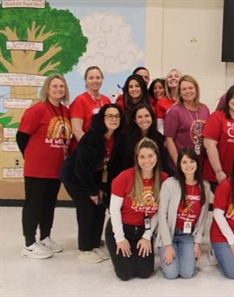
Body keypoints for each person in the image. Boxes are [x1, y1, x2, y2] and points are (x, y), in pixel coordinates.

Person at [17, 74, 73, 259]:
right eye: (55, 86)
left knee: (49, 204)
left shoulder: (65, 110)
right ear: (47, 89)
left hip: (55, 169)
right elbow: (22, 137)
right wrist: (33, 156)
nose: (58, 89)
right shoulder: (37, 110)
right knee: (34, 204)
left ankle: (45, 236)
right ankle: (29, 243)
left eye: (61, 86)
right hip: (37, 169)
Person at [60, 104, 123, 263]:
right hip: (75, 178)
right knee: (87, 210)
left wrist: (101, 188)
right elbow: (81, 168)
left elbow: (107, 167)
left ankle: (95, 244)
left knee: (100, 209)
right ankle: (85, 249)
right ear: (102, 119)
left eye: (117, 116)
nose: (113, 119)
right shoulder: (92, 137)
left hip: (94, 177)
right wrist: (92, 192)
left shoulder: (116, 138)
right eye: (109, 116)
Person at [106, 138, 169, 281]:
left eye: (150, 156)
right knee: (125, 274)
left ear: (157, 157)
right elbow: (114, 211)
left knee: (144, 272)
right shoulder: (124, 177)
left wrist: (147, 236)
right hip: (122, 229)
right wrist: (120, 239)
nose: (147, 161)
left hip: (143, 230)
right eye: (142, 157)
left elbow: (159, 212)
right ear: (136, 159)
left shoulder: (164, 179)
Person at [156, 148, 211, 279]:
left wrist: (197, 243)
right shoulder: (170, 184)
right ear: (179, 165)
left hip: (188, 235)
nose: (188, 165)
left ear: (197, 164)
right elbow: (162, 215)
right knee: (171, 274)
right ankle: (172, 255)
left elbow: (203, 217)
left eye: (192, 161)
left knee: (187, 273)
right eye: (184, 162)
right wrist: (168, 245)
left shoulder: (205, 186)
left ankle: (184, 256)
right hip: (170, 233)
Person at [164, 74, 210, 168]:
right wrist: (178, 163)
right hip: (182, 164)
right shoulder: (174, 111)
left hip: (200, 163)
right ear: (179, 93)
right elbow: (169, 139)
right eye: (184, 89)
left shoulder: (204, 109)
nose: (188, 91)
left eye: (190, 88)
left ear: (196, 89)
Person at [115, 104, 171, 177]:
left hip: (153, 177)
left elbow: (161, 163)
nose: (144, 120)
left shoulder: (159, 137)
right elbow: (122, 163)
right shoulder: (125, 138)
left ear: (152, 118)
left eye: (147, 116)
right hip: (131, 177)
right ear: (135, 120)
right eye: (140, 117)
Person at [70, 66, 112, 141]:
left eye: (98, 78)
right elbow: (76, 130)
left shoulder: (107, 100)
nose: (95, 81)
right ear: (85, 80)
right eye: (91, 78)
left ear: (102, 79)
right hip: (85, 148)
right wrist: (88, 147)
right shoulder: (80, 101)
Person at [156, 69, 182, 134]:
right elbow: (160, 126)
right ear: (167, 83)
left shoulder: (187, 100)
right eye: (170, 77)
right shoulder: (161, 102)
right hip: (168, 138)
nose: (173, 78)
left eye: (176, 76)